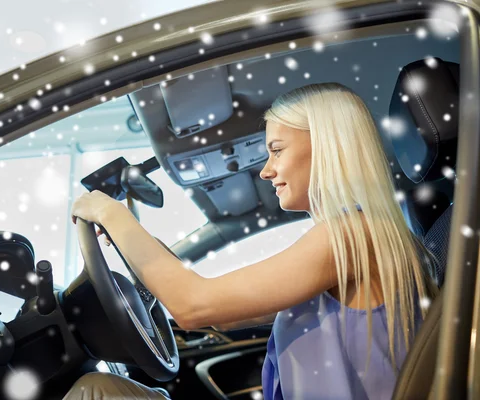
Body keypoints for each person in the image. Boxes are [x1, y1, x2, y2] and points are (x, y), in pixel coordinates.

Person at [67, 83, 439, 399]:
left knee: (95, 390)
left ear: (328, 146)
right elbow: (226, 316)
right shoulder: (362, 235)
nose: (266, 170)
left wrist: (110, 213)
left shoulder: (349, 235)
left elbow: (193, 306)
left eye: (277, 150)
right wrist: (137, 245)